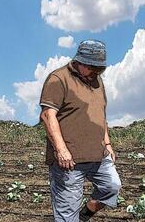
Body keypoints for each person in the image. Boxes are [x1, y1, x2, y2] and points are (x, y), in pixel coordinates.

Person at [40, 39, 121, 222]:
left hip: (98, 155)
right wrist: (61, 150)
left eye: (100, 69)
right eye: (93, 67)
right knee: (67, 213)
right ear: (80, 62)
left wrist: (107, 143)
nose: (96, 72)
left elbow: (100, 115)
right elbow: (47, 115)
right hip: (69, 160)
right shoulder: (58, 79)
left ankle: (85, 214)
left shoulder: (97, 82)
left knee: (112, 186)